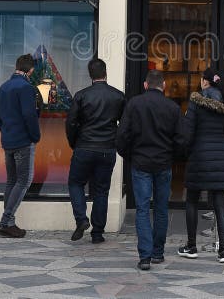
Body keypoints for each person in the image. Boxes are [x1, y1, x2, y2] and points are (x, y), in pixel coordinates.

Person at [116, 70, 182, 271]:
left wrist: (130, 156)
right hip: (163, 163)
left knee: (143, 210)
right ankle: (158, 252)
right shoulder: (172, 107)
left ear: (145, 85)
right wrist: (173, 158)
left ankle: (145, 256)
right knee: (161, 209)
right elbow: (181, 139)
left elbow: (122, 136)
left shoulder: (134, 104)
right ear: (164, 85)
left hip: (141, 163)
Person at [65, 58, 126, 243]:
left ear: (90, 75)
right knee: (101, 191)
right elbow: (125, 125)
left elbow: (71, 123)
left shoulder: (81, 95)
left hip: (84, 146)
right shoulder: (118, 96)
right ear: (105, 73)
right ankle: (97, 233)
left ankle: (82, 219)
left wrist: (74, 142)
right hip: (107, 148)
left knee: (75, 183)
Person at [178, 67, 224, 263]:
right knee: (220, 203)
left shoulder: (195, 101)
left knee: (192, 200)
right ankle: (223, 251)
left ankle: (191, 246)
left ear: (204, 82)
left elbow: (188, 131)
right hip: (221, 157)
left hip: (199, 156)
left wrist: (184, 151)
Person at [0, 53, 41, 238]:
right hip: (23, 141)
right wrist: (35, 136)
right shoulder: (26, 88)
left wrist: (6, 131)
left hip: (8, 141)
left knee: (12, 181)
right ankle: (5, 222)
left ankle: (9, 223)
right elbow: (29, 115)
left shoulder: (3, 88)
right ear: (30, 70)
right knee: (23, 181)